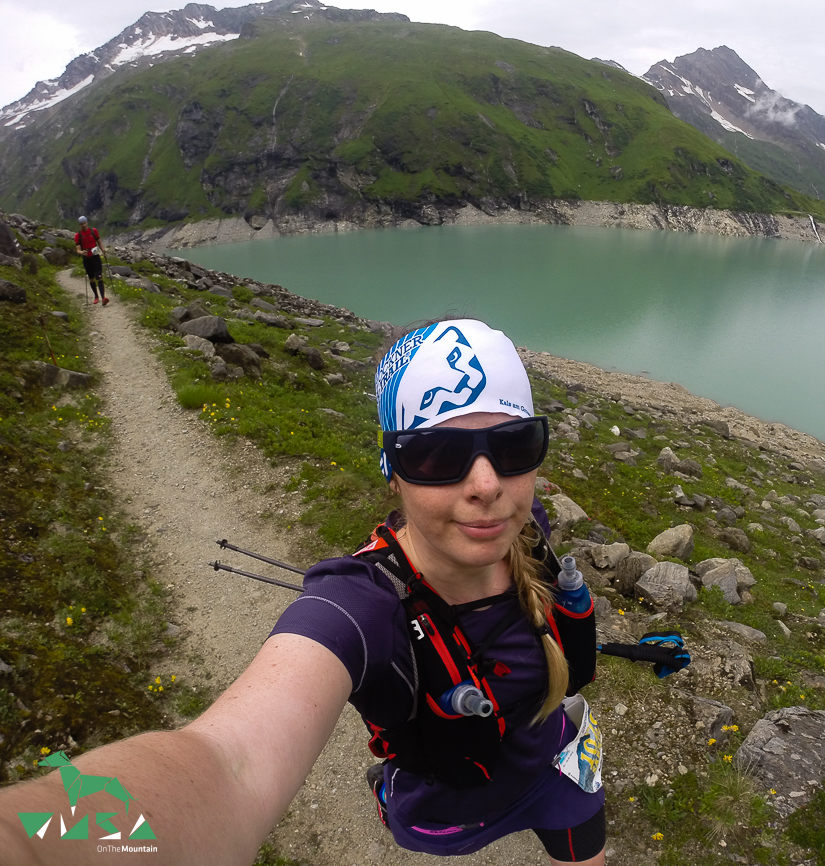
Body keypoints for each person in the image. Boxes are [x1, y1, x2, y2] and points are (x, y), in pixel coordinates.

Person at [0, 319, 604, 865]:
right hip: (449, 813)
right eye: (438, 455)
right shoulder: (359, 606)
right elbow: (228, 766)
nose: (487, 485)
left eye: (514, 446)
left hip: (557, 770)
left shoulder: (529, 529)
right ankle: (392, 788)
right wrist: (29, 841)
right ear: (390, 469)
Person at [73, 215, 108, 305]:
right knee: (91, 279)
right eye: (81, 224)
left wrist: (103, 251)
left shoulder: (93, 231)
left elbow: (99, 242)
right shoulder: (78, 235)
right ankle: (96, 296)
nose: (84, 225)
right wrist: (82, 252)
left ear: (87, 223)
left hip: (96, 257)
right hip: (87, 259)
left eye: (85, 223)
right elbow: (78, 249)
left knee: (99, 277)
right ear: (79, 225)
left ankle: (103, 298)